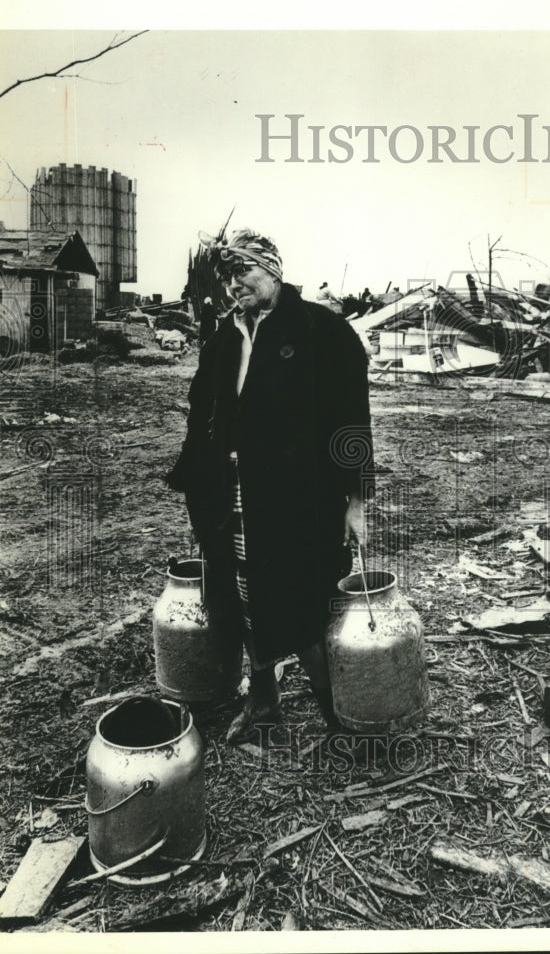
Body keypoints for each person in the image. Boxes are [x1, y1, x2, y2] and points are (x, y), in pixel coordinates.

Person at [166, 228, 373, 747]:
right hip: (231, 493)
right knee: (241, 594)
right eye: (228, 276)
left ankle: (335, 716)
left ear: (273, 269)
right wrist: (195, 484)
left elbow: (351, 422)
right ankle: (263, 700)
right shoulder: (223, 339)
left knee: (304, 599)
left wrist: (356, 501)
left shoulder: (321, 331)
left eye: (245, 271)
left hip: (297, 496)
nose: (236, 284)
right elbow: (202, 416)